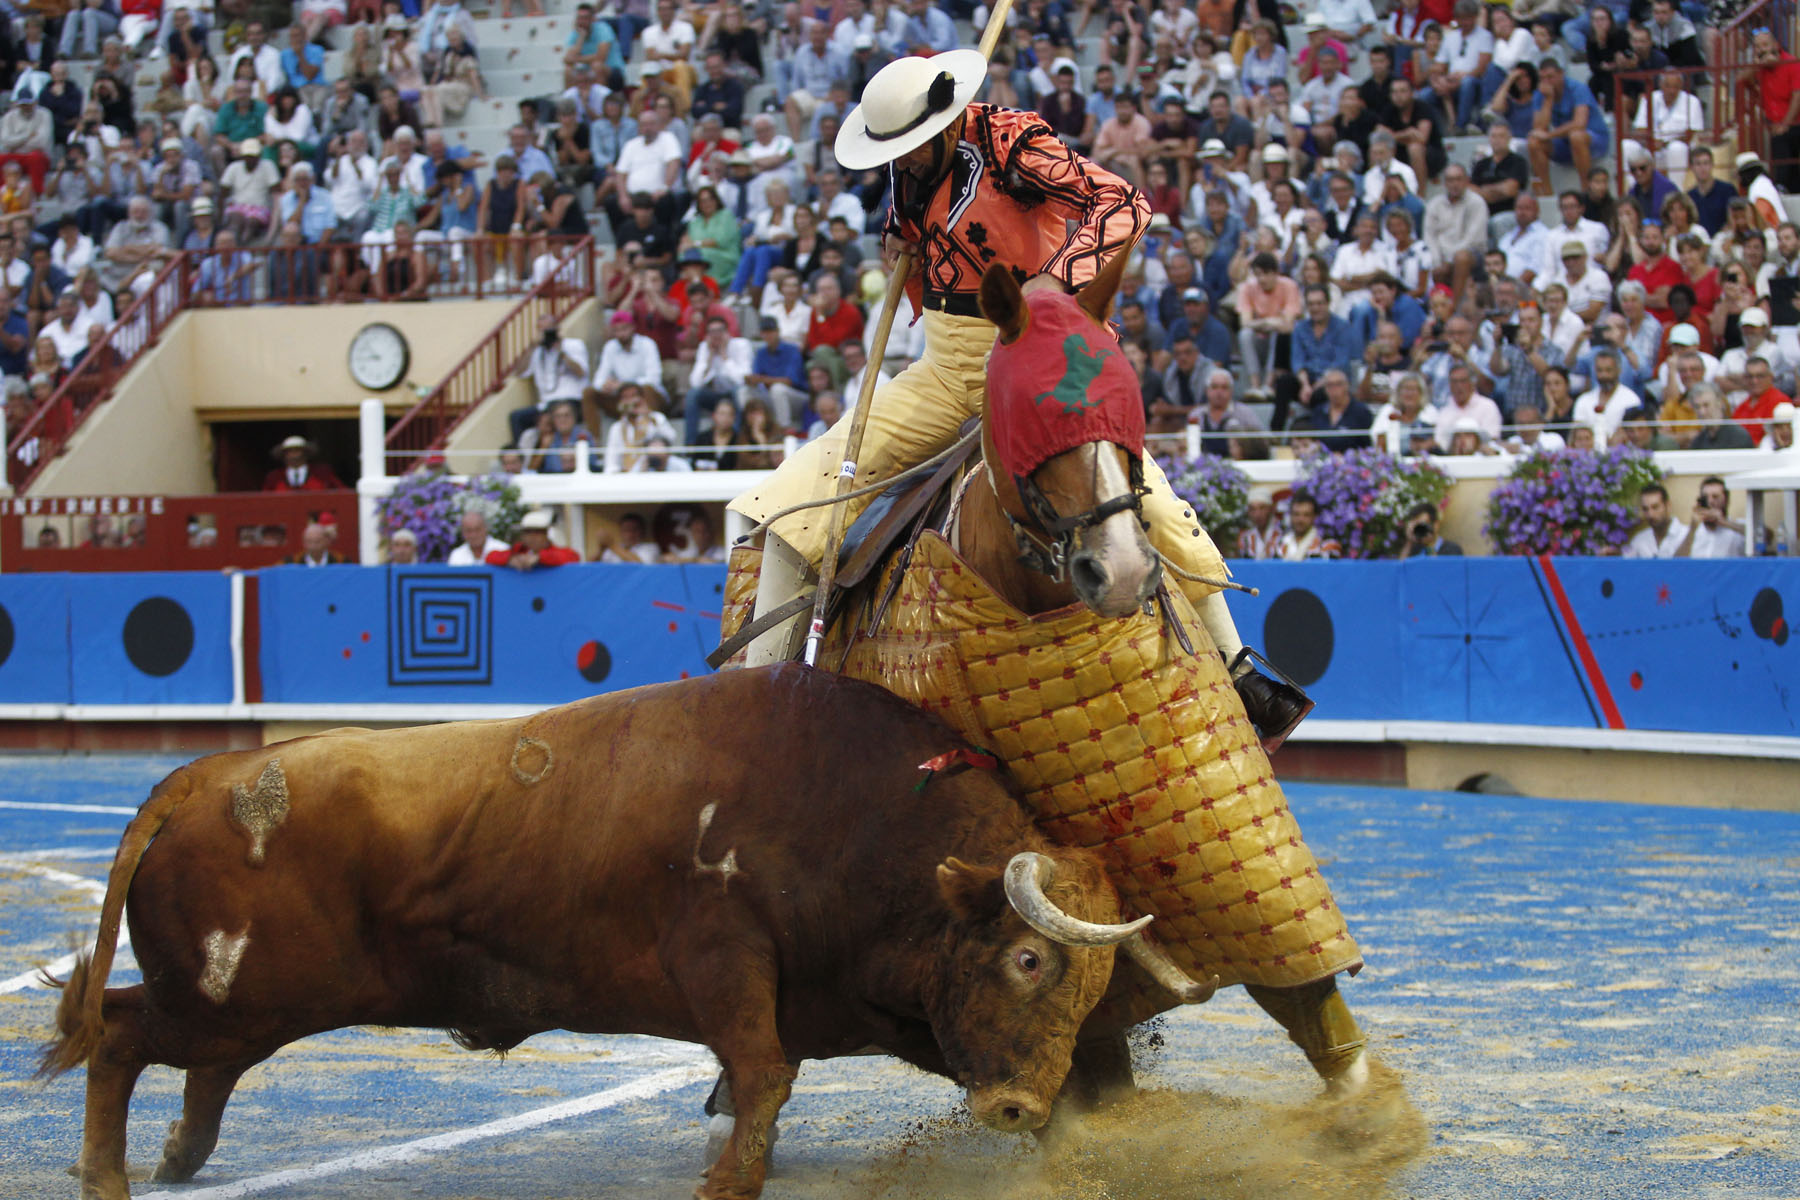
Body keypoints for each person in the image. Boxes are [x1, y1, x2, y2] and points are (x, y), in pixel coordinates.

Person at [730, 49, 1309, 746]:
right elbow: (927, 232)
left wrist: (1055, 282)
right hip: (946, 367)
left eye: (915, 148)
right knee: (792, 497)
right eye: (895, 153)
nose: (905, 162)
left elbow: (1124, 203)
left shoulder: (1011, 141)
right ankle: (761, 695)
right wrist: (901, 241)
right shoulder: (900, 163)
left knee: (1137, 494)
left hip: (1036, 349)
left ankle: (1235, 666)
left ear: (943, 125)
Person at [509, 313, 591, 442]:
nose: (546, 334)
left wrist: (561, 352)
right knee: (516, 417)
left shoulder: (573, 345)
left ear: (557, 328)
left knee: (554, 416)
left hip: (572, 401)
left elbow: (581, 372)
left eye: (549, 330)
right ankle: (520, 459)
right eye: (542, 330)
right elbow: (519, 372)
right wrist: (532, 347)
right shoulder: (537, 352)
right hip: (546, 404)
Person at [1675, 477, 1747, 559]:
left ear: (1726, 500)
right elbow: (1676, 562)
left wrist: (1724, 522)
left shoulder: (1736, 530)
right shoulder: (1687, 531)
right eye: (1705, 497)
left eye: (1715, 497)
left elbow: (1759, 536)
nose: (1710, 501)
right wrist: (1692, 529)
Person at [486, 510, 581, 569]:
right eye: (528, 532)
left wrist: (539, 558)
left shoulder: (555, 552)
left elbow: (573, 557)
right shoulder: (518, 551)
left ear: (546, 534)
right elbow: (490, 557)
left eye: (537, 532)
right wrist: (511, 559)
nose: (532, 537)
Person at [1625, 484, 1686, 559]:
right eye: (1645, 509)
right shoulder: (1639, 540)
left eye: (1655, 507)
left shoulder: (1685, 535)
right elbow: (1627, 566)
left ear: (1668, 506)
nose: (1650, 515)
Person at [263, 435, 343, 491]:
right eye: (289, 451)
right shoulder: (274, 477)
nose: (293, 455)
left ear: (306, 453)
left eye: (297, 450)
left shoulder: (322, 473)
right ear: (283, 455)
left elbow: (342, 493)